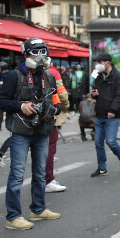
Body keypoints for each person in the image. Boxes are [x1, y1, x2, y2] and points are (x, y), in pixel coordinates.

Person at [0, 38, 62, 230]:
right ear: (26, 55)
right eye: (36, 52)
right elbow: (0, 101)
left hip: (43, 130)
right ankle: (13, 217)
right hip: (21, 132)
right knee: (17, 175)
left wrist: (54, 110)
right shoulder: (13, 76)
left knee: (40, 174)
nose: (41, 57)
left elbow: (57, 102)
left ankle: (38, 209)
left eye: (43, 52)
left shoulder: (49, 76)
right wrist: (20, 106)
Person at [90, 53, 120, 177]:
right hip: (100, 113)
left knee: (111, 141)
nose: (98, 65)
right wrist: (93, 94)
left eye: (100, 62)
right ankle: (102, 168)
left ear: (107, 62)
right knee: (98, 143)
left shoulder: (119, 77)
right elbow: (95, 91)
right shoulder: (98, 77)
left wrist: (113, 110)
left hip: (112, 115)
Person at [45, 63, 70, 192]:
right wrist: (64, 108)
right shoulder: (53, 73)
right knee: (49, 149)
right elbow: (63, 95)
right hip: (51, 116)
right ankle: (48, 180)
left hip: (31, 118)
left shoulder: (26, 72)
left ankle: (39, 179)